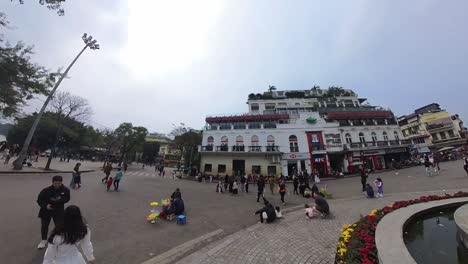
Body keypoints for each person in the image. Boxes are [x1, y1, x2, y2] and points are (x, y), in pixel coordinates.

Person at [37, 175, 71, 249]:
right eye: (55, 183)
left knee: (59, 225)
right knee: (44, 226)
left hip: (58, 210)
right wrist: (46, 205)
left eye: (59, 183)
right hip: (46, 210)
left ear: (61, 182)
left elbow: (67, 198)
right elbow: (39, 200)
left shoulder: (65, 190)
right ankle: (43, 240)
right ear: (52, 182)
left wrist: (60, 199)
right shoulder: (46, 190)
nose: (57, 185)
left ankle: (58, 240)